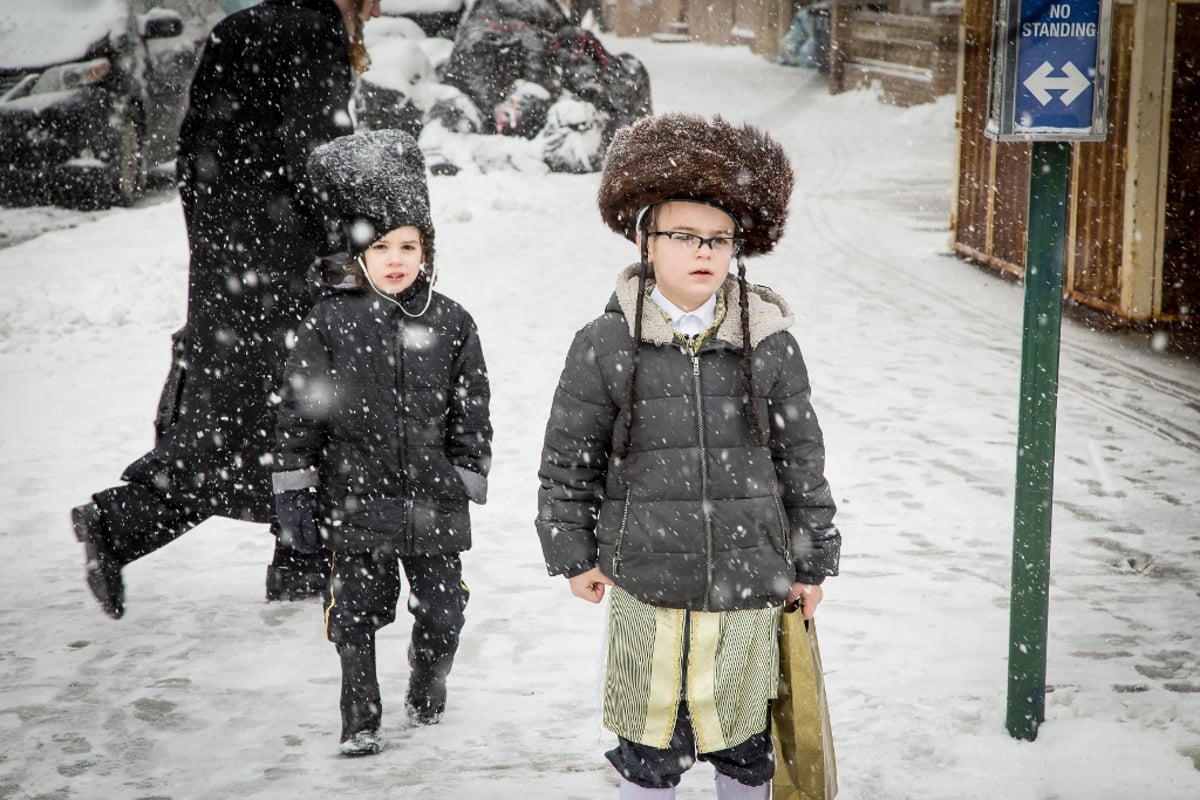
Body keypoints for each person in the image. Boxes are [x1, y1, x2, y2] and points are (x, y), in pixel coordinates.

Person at [535, 113, 842, 799]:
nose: (703, 251)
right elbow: (568, 459)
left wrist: (812, 561)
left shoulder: (769, 342)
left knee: (744, 743)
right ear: (645, 240)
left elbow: (803, 462)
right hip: (645, 586)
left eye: (719, 238)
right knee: (649, 745)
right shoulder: (604, 344)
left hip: (749, 583)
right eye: (683, 235)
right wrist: (572, 554)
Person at [71, 0, 382, 619]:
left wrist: (223, 249)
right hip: (278, 266)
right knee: (277, 419)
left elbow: (193, 155)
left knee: (270, 415)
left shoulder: (242, 26)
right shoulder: (310, 31)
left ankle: (300, 560)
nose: (375, 8)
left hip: (233, 264)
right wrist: (355, 244)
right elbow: (316, 155)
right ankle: (123, 521)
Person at [273, 129, 492, 757]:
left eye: (409, 246)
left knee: (445, 611)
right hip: (356, 500)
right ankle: (360, 718)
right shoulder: (329, 321)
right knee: (354, 618)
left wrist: (467, 469)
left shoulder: (451, 322)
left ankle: (428, 687)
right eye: (382, 246)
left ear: (426, 251)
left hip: (435, 499)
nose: (396, 258)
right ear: (357, 251)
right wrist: (295, 489)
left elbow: (472, 406)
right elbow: (300, 413)